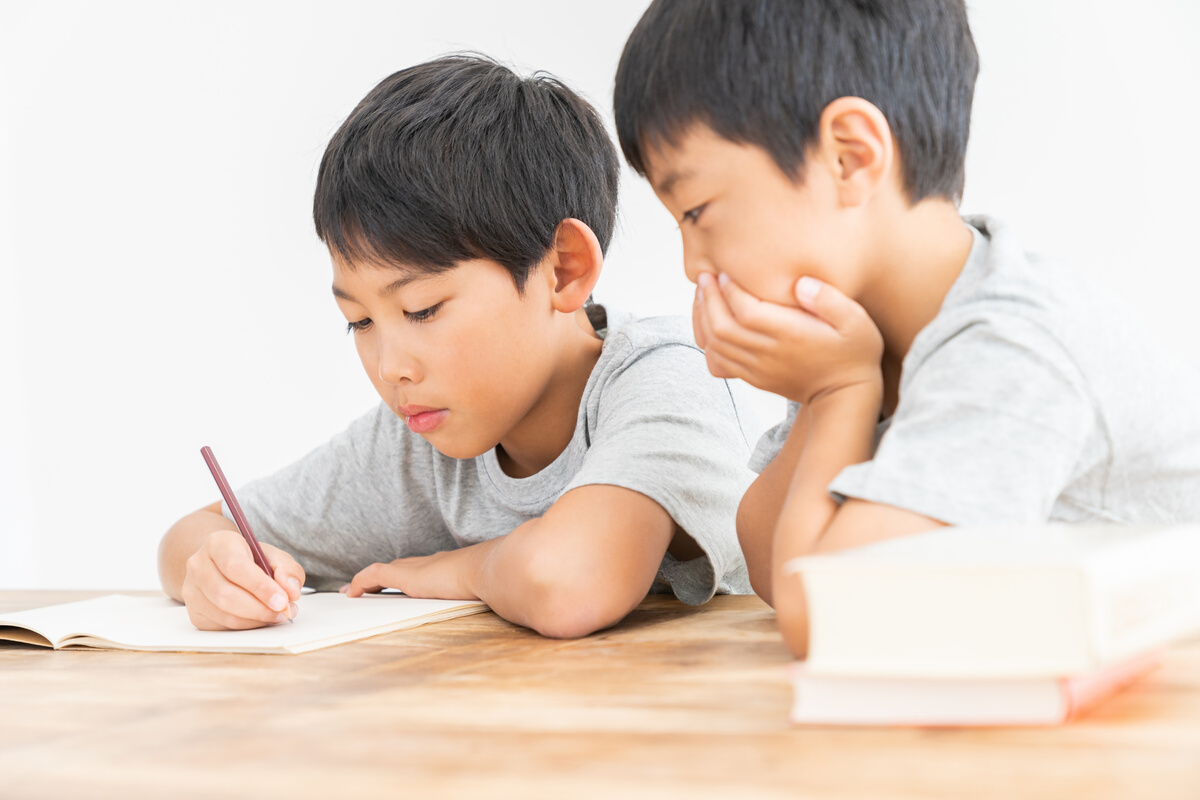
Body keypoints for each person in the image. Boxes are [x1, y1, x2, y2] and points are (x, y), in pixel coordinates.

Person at [612, 0, 1200, 656]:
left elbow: (836, 617)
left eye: (695, 211)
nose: (693, 265)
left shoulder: (1011, 346)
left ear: (850, 157)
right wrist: (823, 394)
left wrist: (840, 394)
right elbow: (773, 567)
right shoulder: (854, 329)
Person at [158, 54, 754, 639]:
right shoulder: (419, 440)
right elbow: (191, 534)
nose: (391, 368)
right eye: (359, 322)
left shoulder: (666, 376)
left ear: (564, 271)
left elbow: (568, 582)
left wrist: (456, 568)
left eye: (422, 309)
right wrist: (218, 571)